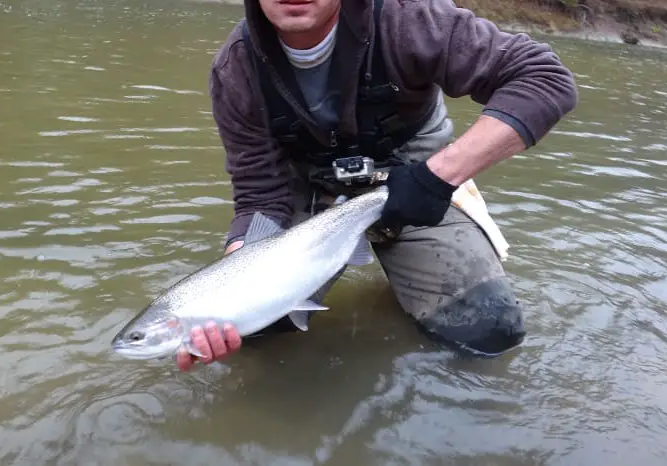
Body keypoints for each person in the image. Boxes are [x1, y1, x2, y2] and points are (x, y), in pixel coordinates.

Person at [175, 0, 579, 371]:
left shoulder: (410, 19)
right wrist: (230, 284)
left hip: (419, 181)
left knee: (489, 331)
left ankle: (407, 265)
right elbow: (260, 194)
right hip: (312, 194)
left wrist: (439, 175)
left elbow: (544, 79)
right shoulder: (235, 70)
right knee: (253, 329)